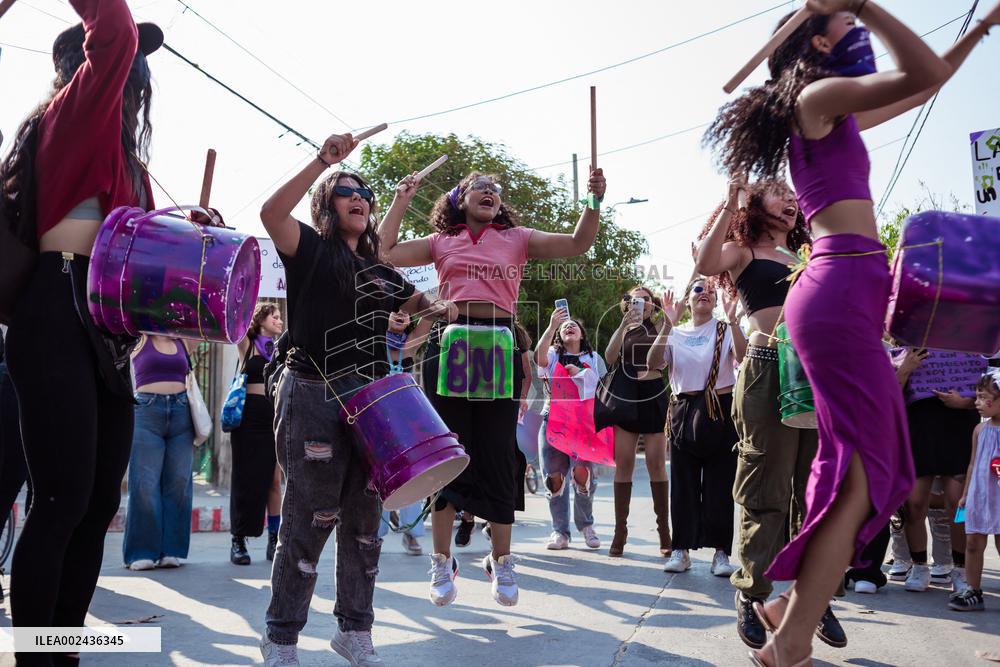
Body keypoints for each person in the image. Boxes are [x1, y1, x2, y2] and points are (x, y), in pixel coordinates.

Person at [702, 1, 999, 663]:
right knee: (866, 474)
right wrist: (866, 5)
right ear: (815, 43)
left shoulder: (833, 110)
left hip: (852, 293)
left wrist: (979, 28)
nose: (857, 31)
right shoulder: (818, 96)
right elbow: (921, 68)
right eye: (847, 24)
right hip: (836, 293)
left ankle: (790, 609)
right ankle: (790, 640)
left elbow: (925, 79)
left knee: (852, 467)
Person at [0, 0, 165, 656]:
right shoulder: (73, 112)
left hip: (104, 326)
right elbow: (118, 30)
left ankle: (60, 646)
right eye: (131, 60)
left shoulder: (128, 158)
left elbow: (146, 247)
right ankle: (41, 652)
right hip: (56, 303)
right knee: (62, 497)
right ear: (87, 66)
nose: (140, 67)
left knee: (96, 504)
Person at [257, 131, 449, 666]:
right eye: (344, 190)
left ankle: (354, 630)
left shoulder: (382, 273)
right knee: (310, 519)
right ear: (326, 205)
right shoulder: (310, 251)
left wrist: (419, 326)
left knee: (365, 526)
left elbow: (433, 309)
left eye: (364, 190)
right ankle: (281, 637)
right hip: (313, 394)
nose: (358, 195)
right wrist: (323, 160)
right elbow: (271, 212)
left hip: (373, 405)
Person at [378, 166, 606, 607]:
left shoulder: (518, 237)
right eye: (478, 187)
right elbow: (384, 250)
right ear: (457, 200)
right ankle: (442, 560)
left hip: (499, 346)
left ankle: (501, 559)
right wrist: (402, 197)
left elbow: (579, 242)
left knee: (501, 453)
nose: (489, 192)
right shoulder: (441, 242)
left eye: (495, 189)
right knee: (447, 453)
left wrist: (593, 201)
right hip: (450, 345)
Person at [695, 182, 836, 649]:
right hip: (767, 368)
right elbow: (704, 263)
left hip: (815, 372)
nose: (791, 199)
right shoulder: (743, 251)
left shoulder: (807, 256)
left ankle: (810, 598)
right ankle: (752, 592)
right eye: (778, 192)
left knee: (812, 489)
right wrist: (730, 205)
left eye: (793, 194)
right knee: (767, 485)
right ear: (753, 205)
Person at [648, 277, 745, 576]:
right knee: (683, 484)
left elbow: (742, 357)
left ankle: (721, 554)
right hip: (683, 410)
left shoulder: (724, 329)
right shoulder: (675, 332)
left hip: (719, 408)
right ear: (688, 299)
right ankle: (681, 550)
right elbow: (654, 364)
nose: (705, 294)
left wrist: (734, 321)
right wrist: (666, 325)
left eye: (711, 291)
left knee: (719, 484)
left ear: (716, 302)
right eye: (698, 290)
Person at [893, 348, 985, 595]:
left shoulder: (975, 339)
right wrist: (905, 368)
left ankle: (960, 570)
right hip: (919, 426)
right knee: (913, 502)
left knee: (958, 505)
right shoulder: (909, 340)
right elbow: (888, 396)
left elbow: (993, 386)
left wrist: (967, 402)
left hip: (960, 426)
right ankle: (919, 566)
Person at [602, 285, 671, 558]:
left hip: (654, 395)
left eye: (644, 300)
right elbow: (609, 358)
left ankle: (665, 533)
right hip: (627, 397)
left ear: (653, 304)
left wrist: (665, 322)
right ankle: (620, 533)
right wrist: (623, 325)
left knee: (656, 462)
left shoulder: (662, 325)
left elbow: (668, 360)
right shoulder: (625, 327)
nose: (639, 303)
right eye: (633, 300)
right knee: (625, 464)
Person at [534, 309, 607, 551]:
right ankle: (560, 532)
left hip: (584, 425)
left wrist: (583, 375)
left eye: (573, 324)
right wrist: (551, 325)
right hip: (553, 421)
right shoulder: (554, 355)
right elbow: (539, 359)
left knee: (583, 474)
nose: (568, 326)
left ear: (582, 334)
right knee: (554, 479)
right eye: (564, 326)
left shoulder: (594, 359)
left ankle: (586, 525)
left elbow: (605, 390)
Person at [122, 335, 195, 571]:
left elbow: (207, 324)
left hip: (182, 412)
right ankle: (141, 551)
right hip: (146, 412)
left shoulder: (183, 339)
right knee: (144, 483)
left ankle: (171, 550)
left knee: (179, 482)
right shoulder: (140, 336)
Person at [229, 303, 284, 565]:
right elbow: (233, 321)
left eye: (280, 317)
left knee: (274, 481)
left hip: (274, 419)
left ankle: (275, 539)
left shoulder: (281, 350)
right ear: (261, 319)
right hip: (248, 418)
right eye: (275, 316)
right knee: (244, 479)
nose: (279, 320)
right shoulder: (246, 344)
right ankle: (238, 539)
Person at [950, 371, 1000, 611]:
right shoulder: (979, 430)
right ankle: (973, 589)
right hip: (980, 493)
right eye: (977, 397)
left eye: (984, 397)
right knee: (972, 542)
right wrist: (966, 493)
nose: (977, 403)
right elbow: (973, 462)